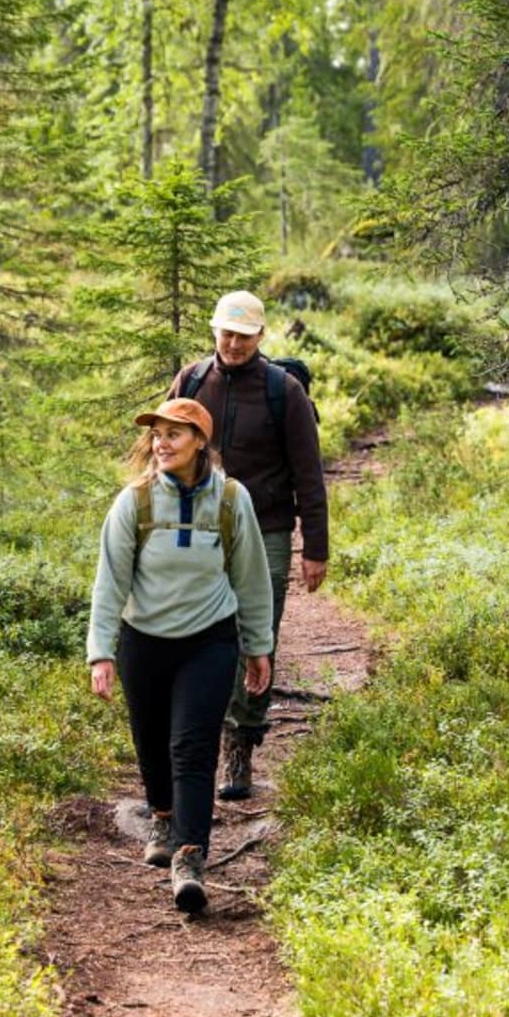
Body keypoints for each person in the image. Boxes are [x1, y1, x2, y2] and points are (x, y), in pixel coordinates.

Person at [87, 397, 274, 914]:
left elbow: (252, 579)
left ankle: (190, 858)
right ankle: (163, 817)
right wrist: (101, 651)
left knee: (192, 747)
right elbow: (110, 583)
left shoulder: (232, 501)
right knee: (150, 740)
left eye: (174, 434)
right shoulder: (136, 502)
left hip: (208, 640)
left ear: (199, 443)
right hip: (143, 640)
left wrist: (258, 646)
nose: (161, 443)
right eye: (157, 434)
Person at [168, 290, 328, 801]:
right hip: (201, 527)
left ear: (261, 336)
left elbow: (309, 473)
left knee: (257, 631)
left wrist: (315, 548)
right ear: (214, 331)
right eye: (226, 333)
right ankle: (196, 736)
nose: (233, 343)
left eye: (244, 335)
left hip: (269, 529)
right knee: (198, 628)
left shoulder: (284, 392)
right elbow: (165, 453)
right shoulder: (192, 382)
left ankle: (240, 742)